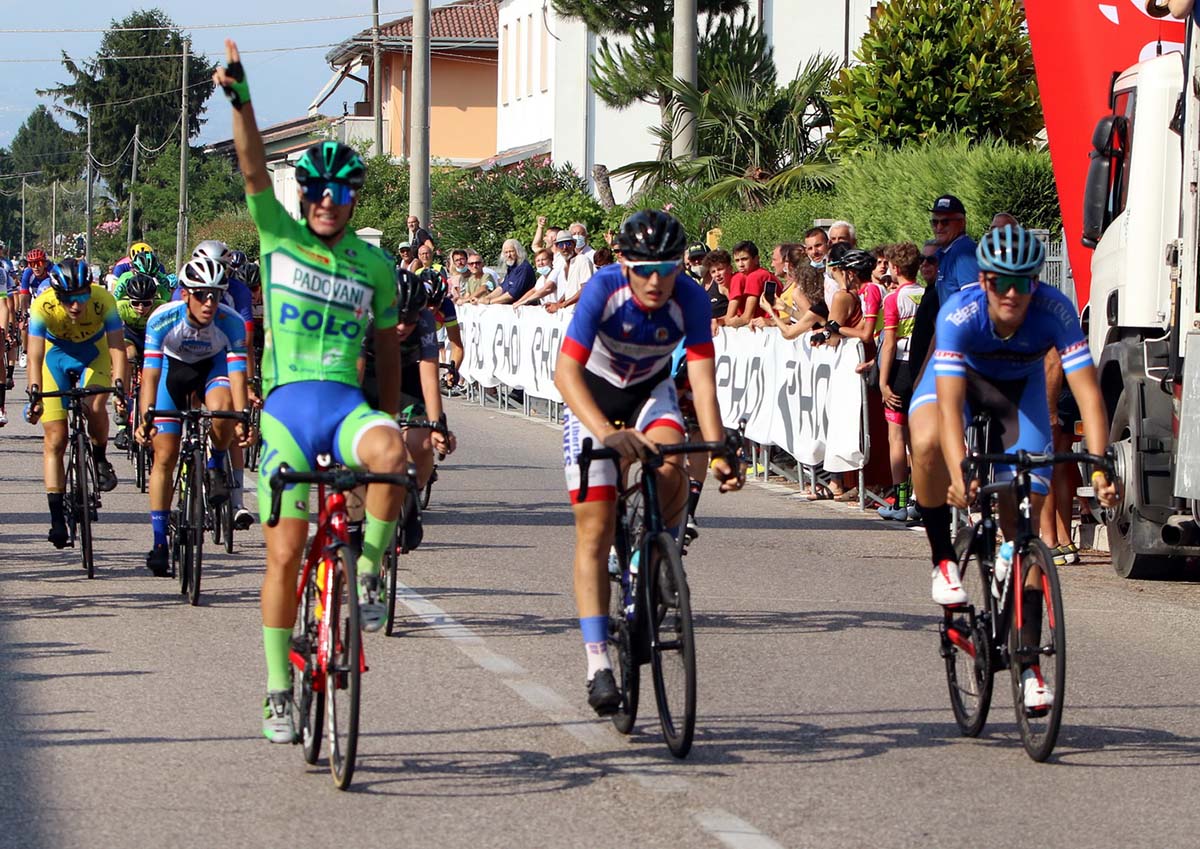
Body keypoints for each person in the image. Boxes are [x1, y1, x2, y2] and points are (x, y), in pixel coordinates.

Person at [215, 39, 411, 743]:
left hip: (346, 406)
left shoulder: (376, 266)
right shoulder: (276, 235)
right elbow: (248, 163)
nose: (330, 201)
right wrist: (241, 98)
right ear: (305, 197)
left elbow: (387, 355)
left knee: (394, 451)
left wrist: (390, 418)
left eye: (343, 192)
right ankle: (276, 687)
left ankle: (366, 571)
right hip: (288, 415)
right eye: (319, 192)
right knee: (285, 554)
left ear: (357, 197)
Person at [907, 225, 1119, 708]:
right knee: (926, 444)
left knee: (1027, 526)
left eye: (1022, 283)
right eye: (1001, 282)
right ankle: (943, 559)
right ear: (983, 281)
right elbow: (947, 405)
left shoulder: (1054, 308)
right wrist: (961, 474)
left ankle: (1028, 665)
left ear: (1034, 284)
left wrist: (1102, 467)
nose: (1012, 293)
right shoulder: (959, 313)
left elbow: (1087, 393)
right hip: (958, 392)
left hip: (1017, 401)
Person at [554, 209, 744, 715]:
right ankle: (597, 663)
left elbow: (702, 379)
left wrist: (718, 447)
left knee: (669, 465)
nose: (657, 280)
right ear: (624, 263)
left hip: (648, 393)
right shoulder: (603, 288)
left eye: (668, 267)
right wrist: (605, 435)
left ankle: (644, 555)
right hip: (593, 401)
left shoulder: (691, 297)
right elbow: (565, 374)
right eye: (645, 269)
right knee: (593, 530)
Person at [136, 256, 250, 576]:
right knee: (165, 456)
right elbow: (151, 376)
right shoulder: (162, 320)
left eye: (216, 294)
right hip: (174, 373)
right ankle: (159, 542)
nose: (210, 302)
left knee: (224, 407)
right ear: (185, 294)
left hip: (210, 370)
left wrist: (243, 418)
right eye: (202, 294)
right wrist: (144, 417)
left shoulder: (230, 322)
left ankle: (214, 466)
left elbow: (238, 374)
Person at [23, 260, 126, 547]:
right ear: (57, 295)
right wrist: (35, 393)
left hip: (94, 354)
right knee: (55, 438)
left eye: (81, 296)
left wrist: (120, 389)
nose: (76, 305)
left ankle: (100, 457)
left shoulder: (104, 300)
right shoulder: (43, 306)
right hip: (55, 356)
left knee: (94, 405)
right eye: (67, 298)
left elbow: (117, 348)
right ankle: (56, 518)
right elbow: (34, 356)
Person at [358, 268, 457, 548]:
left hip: (407, 378)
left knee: (423, 441)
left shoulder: (424, 320)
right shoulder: (364, 316)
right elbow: (355, 377)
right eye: (396, 318)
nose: (403, 326)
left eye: (410, 318)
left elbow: (429, 379)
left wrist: (438, 425)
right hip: (369, 377)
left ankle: (412, 499)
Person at [875, 242, 925, 521]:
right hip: (922, 369)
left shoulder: (893, 299)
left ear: (894, 268)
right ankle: (920, 500)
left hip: (899, 370)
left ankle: (899, 502)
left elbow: (890, 342)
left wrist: (883, 383)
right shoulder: (927, 294)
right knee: (918, 439)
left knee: (897, 437)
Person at [113, 272, 169, 451]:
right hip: (131, 337)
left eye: (146, 303)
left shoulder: (162, 308)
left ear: (154, 300)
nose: (140, 308)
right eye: (135, 303)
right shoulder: (120, 307)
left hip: (153, 339)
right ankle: (124, 404)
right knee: (128, 355)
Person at [723, 240, 778, 328]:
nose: (740, 264)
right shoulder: (749, 276)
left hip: (769, 328)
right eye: (737, 260)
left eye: (744, 259)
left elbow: (746, 318)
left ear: (756, 259)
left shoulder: (755, 276)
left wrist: (729, 322)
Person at [544, 230, 596, 313]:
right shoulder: (565, 265)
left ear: (574, 245)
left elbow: (586, 289)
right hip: (571, 313)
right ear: (557, 247)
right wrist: (558, 303)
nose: (565, 247)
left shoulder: (582, 260)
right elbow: (571, 290)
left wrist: (561, 305)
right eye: (561, 245)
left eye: (568, 244)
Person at [477, 239, 536, 305]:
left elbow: (512, 295)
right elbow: (502, 288)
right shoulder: (511, 267)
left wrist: (490, 301)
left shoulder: (523, 268)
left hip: (524, 309)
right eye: (506, 252)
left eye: (511, 251)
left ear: (518, 252)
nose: (508, 255)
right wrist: (486, 298)